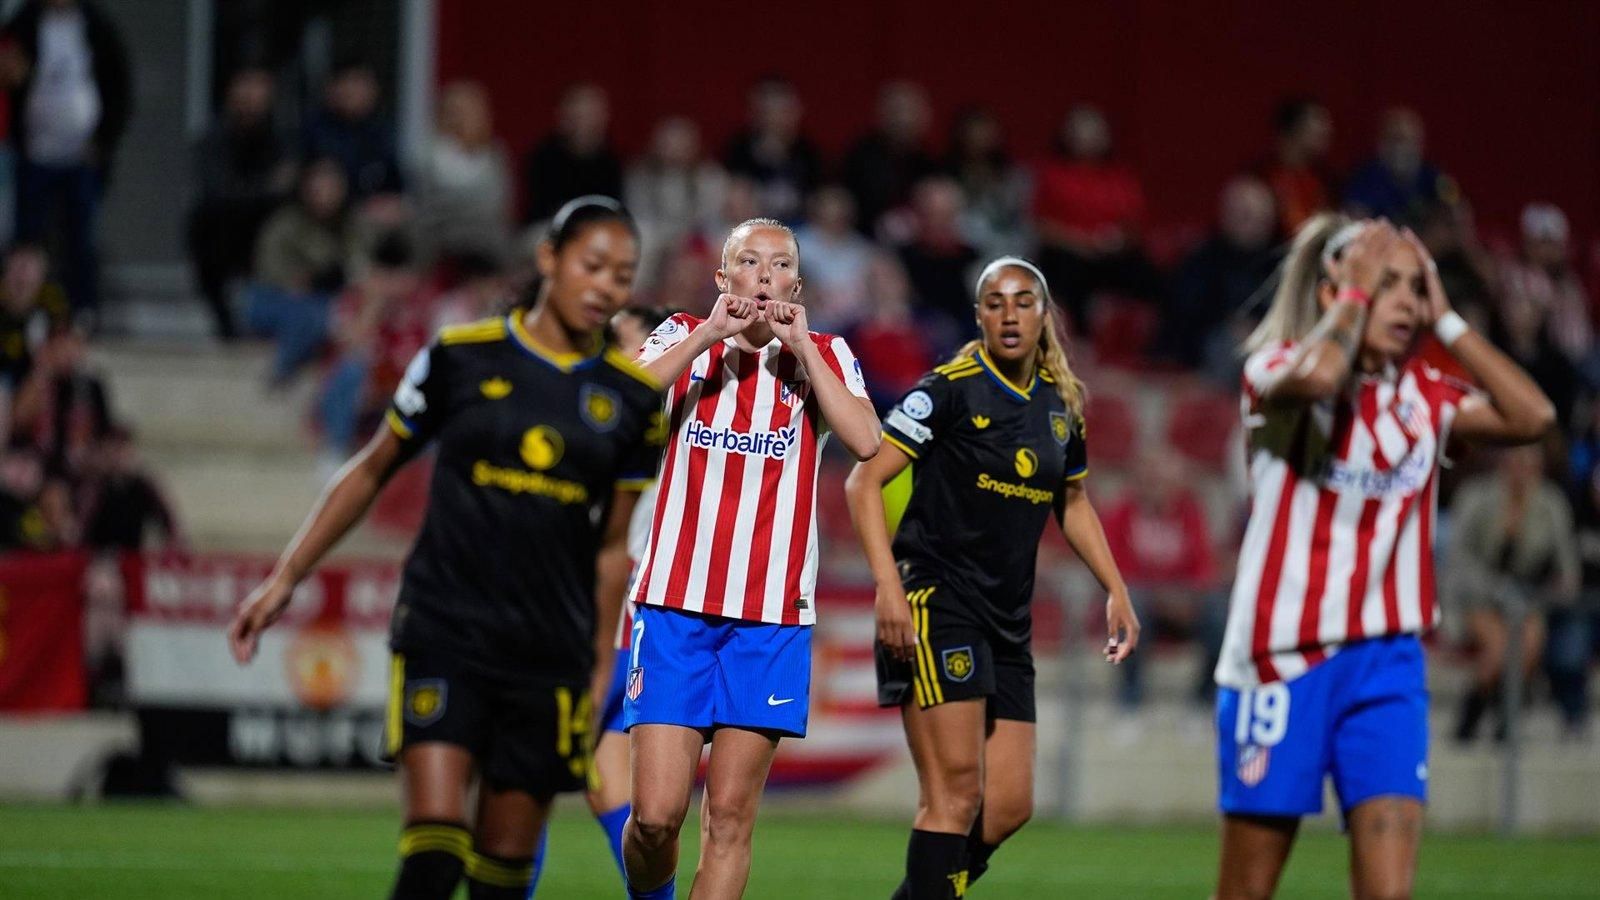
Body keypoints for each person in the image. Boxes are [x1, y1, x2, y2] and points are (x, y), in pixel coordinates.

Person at [226, 197, 665, 900]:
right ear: (548, 259)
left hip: (548, 652)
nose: (608, 286)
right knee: (434, 852)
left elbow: (613, 549)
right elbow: (373, 467)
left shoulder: (632, 404)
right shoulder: (460, 358)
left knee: (502, 878)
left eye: (623, 275)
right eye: (593, 266)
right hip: (445, 629)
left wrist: (595, 672)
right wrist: (287, 578)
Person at [1211, 215, 1555, 900]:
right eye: (1388, 283)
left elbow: (1533, 418)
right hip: (1283, 660)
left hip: (1388, 661)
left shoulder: (1423, 396)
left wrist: (1450, 321)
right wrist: (1354, 299)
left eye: (1414, 287)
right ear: (1338, 284)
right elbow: (1321, 376)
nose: (1406, 301)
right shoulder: (1277, 369)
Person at [845, 255, 1139, 899]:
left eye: (1023, 301)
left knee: (1007, 807)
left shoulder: (1062, 405)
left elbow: (1075, 501)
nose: (1010, 314)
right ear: (979, 315)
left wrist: (1115, 588)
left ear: (1044, 315)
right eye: (996, 302)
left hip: (1008, 622)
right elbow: (863, 480)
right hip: (935, 601)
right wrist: (887, 588)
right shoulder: (948, 388)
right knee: (953, 795)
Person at [621, 218, 880, 900]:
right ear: (723, 278)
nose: (765, 275)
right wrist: (709, 333)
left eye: (780, 264)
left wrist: (803, 348)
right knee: (653, 818)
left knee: (730, 817)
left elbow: (866, 440)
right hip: (675, 607)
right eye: (750, 261)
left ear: (797, 282)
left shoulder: (826, 352)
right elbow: (618, 402)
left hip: (769, 619)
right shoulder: (683, 334)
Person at [1, 0, 131, 317]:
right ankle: (21, 312)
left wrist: (103, 141)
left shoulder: (96, 25)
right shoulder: (24, 23)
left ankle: (82, 310)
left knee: (80, 239)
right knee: (27, 240)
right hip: (34, 152)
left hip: (80, 155)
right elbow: (10, 73)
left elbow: (118, 87)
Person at [1447, 443, 1578, 742]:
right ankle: (1473, 712)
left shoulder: (1550, 503)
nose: (1521, 471)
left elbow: (1567, 566)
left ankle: (1506, 721)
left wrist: (1554, 590)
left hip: (1527, 601)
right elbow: (1459, 561)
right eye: (1515, 462)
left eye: (1529, 464)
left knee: (1530, 640)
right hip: (1477, 597)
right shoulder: (1476, 496)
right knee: (1499, 647)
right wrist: (1497, 590)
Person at [1032, 105, 1162, 333]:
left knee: (1147, 274)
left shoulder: (1120, 176)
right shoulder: (1052, 174)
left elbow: (1135, 222)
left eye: (1095, 132)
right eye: (1082, 131)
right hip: (1069, 253)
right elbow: (1042, 226)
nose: (1089, 138)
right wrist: (1082, 243)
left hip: (1111, 254)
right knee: (1067, 272)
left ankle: (1155, 342)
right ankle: (1080, 343)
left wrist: (1119, 240)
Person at [1154, 176, 1282, 375]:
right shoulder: (1202, 260)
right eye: (1246, 217)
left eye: (1262, 218)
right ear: (1227, 215)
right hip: (1208, 352)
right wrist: (1230, 324)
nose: (1255, 226)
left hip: (1269, 344)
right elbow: (1184, 318)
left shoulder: (1279, 261)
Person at [245, 157, 354, 385]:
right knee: (306, 315)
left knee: (327, 314)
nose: (324, 196)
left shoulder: (351, 225)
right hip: (275, 297)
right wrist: (295, 282)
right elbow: (269, 267)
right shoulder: (285, 223)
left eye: (331, 188)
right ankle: (283, 368)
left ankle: (290, 363)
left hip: (323, 298)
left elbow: (357, 269)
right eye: (318, 189)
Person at [416, 81, 513, 264]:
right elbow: (429, 204)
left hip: (488, 236)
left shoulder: (496, 155)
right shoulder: (430, 153)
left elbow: (499, 204)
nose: (460, 118)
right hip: (442, 234)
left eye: (468, 111)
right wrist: (471, 205)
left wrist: (462, 203)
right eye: (454, 111)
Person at [841, 81, 938, 237]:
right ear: (881, 115)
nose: (904, 120)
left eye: (911, 112)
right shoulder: (859, 157)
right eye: (897, 111)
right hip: (863, 241)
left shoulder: (929, 162)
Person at [300, 59, 404, 202]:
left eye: (360, 83)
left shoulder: (381, 132)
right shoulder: (315, 132)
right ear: (331, 88)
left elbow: (397, 187)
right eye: (347, 82)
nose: (352, 91)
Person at [721, 77, 823, 222]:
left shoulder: (809, 154)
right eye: (768, 111)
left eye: (783, 110)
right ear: (754, 113)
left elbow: (819, 201)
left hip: (798, 233)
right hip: (749, 229)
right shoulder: (738, 151)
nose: (775, 118)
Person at [522, 83, 623, 225]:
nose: (583, 122)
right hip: (550, 226)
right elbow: (542, 207)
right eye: (577, 114)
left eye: (590, 114)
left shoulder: (612, 160)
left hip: (598, 228)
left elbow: (613, 208)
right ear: (562, 116)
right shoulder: (543, 156)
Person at [1342, 108, 1455, 227]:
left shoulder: (1434, 177)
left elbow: (1457, 214)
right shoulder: (1363, 180)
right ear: (1380, 141)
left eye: (1407, 139)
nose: (1400, 147)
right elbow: (1354, 225)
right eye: (1394, 138)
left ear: (1420, 143)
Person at [1255, 98, 1336, 236]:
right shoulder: (1261, 178)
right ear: (1295, 129)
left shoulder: (1326, 178)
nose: (1327, 130)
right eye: (1319, 123)